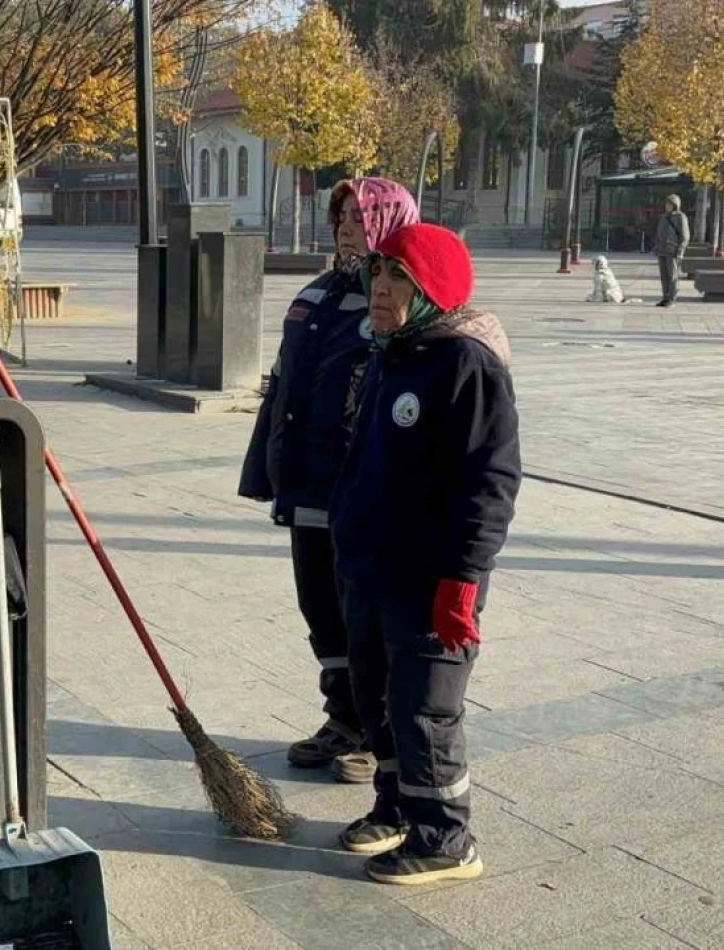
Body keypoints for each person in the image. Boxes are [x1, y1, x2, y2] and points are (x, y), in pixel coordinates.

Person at [329, 223, 520, 886]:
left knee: (425, 707)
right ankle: (397, 808)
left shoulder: (465, 362)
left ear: (431, 288)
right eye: (376, 276)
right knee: (377, 697)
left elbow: (489, 481)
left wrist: (463, 579)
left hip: (430, 579)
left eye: (398, 279)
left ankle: (447, 838)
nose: (379, 290)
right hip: (371, 568)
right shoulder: (395, 350)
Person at [240, 179, 419, 783]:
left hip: (360, 486)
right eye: (341, 214)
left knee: (364, 613)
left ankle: (378, 730)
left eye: (361, 214)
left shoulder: (399, 299)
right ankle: (342, 716)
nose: (347, 224)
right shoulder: (316, 293)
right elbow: (283, 386)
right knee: (320, 606)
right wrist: (267, 467)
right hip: (306, 481)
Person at [654, 194, 690, 307]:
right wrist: (657, 246)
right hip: (662, 251)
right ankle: (665, 297)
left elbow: (685, 236)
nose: (667, 206)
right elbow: (659, 233)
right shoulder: (664, 217)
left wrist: (680, 251)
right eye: (666, 204)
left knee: (672, 276)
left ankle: (672, 298)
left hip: (672, 251)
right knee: (664, 276)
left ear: (675, 205)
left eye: (670, 204)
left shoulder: (680, 217)